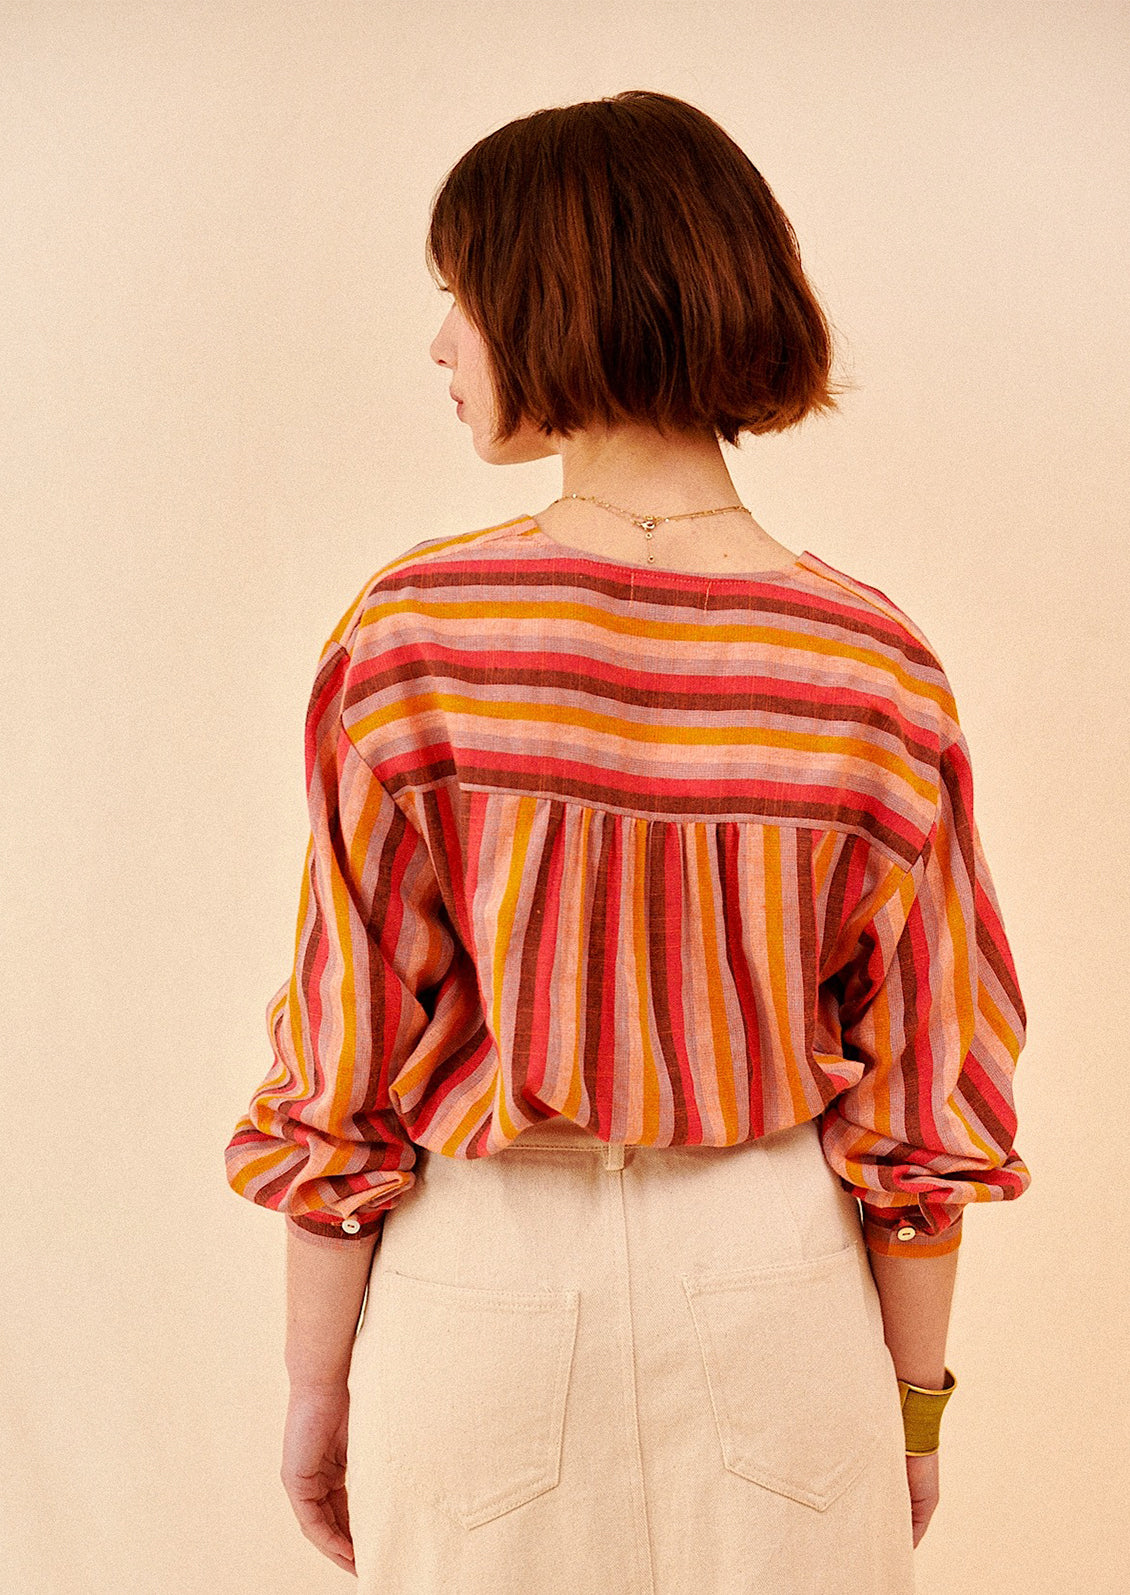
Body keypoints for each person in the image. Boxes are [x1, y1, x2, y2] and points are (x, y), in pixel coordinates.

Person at [224, 90, 1030, 1593]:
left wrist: (315, 1387)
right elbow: (927, 1086)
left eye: (460, 294)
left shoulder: (413, 637)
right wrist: (913, 1407)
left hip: (480, 1299)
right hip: (780, 1295)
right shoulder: (872, 664)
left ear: (553, 297)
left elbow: (345, 1062)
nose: (442, 344)